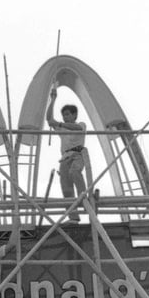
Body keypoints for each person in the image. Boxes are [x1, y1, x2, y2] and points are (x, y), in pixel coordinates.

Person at [46, 87, 89, 223]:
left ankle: (84, 198)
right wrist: (52, 100)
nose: (65, 117)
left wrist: (59, 123)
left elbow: (76, 128)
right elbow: (49, 119)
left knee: (75, 172)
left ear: (75, 115)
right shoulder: (62, 128)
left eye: (68, 114)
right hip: (64, 158)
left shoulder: (81, 124)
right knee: (66, 189)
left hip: (77, 154)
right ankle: (73, 217)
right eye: (64, 115)